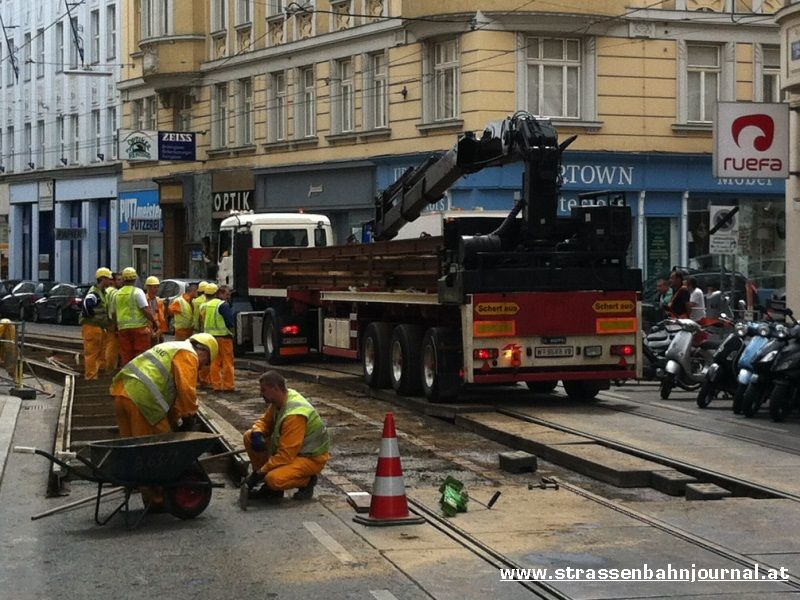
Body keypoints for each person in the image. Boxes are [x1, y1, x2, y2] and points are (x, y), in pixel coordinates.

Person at [111, 333, 219, 509]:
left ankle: (142, 488)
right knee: (154, 452)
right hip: (143, 400)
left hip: (122, 394)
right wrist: (189, 414)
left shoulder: (171, 348)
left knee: (133, 451)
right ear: (205, 352)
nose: (200, 368)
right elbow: (186, 389)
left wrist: (175, 418)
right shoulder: (188, 354)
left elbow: (171, 395)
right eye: (204, 364)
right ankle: (157, 499)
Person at [243, 371, 330, 501]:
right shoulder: (279, 401)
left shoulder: (294, 415)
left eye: (264, 390)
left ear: (276, 388)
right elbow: (265, 422)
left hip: (309, 458)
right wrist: (257, 432)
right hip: (294, 453)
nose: (261, 394)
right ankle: (268, 488)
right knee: (249, 436)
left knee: (274, 479)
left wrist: (259, 473)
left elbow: (286, 455)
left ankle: (307, 480)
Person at [112, 267, 158, 364]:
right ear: (135, 279)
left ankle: (128, 376)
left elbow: (113, 313)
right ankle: (138, 376)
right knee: (140, 355)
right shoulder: (138, 292)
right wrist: (154, 322)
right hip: (139, 328)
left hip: (123, 329)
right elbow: (145, 309)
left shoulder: (117, 294)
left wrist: (115, 327)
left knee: (126, 354)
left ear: (124, 279)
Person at [79, 268, 114, 380]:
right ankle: (91, 377)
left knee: (100, 353)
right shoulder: (94, 293)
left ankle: (97, 375)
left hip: (98, 328)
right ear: (102, 279)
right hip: (92, 328)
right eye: (108, 279)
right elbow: (86, 306)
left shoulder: (101, 293)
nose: (110, 281)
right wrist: (92, 318)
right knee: (92, 354)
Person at [200, 284, 236, 392]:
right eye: (226, 294)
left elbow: (202, 320)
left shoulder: (205, 305)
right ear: (219, 293)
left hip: (210, 338)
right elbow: (230, 322)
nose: (228, 296)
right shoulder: (223, 305)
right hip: (224, 337)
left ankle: (216, 385)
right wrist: (233, 333)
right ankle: (228, 386)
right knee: (228, 362)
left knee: (215, 362)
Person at [194, 282, 216, 388]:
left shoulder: (197, 302)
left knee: (200, 356)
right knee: (208, 358)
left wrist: (196, 328)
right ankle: (207, 379)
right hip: (210, 334)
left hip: (202, 331)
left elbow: (198, 316)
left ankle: (199, 378)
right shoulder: (214, 303)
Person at [103, 272, 123, 374]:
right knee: (113, 347)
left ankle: (106, 366)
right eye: (119, 280)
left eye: (121, 279)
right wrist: (116, 325)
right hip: (113, 323)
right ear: (113, 281)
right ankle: (110, 368)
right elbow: (114, 311)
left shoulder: (106, 291)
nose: (121, 282)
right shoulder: (115, 293)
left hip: (106, 322)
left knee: (107, 345)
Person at [144, 276, 168, 346]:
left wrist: (160, 332)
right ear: (148, 287)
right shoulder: (143, 300)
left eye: (157, 287)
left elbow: (162, 318)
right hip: (147, 331)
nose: (156, 289)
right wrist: (151, 332)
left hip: (157, 331)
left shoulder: (159, 301)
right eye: (153, 287)